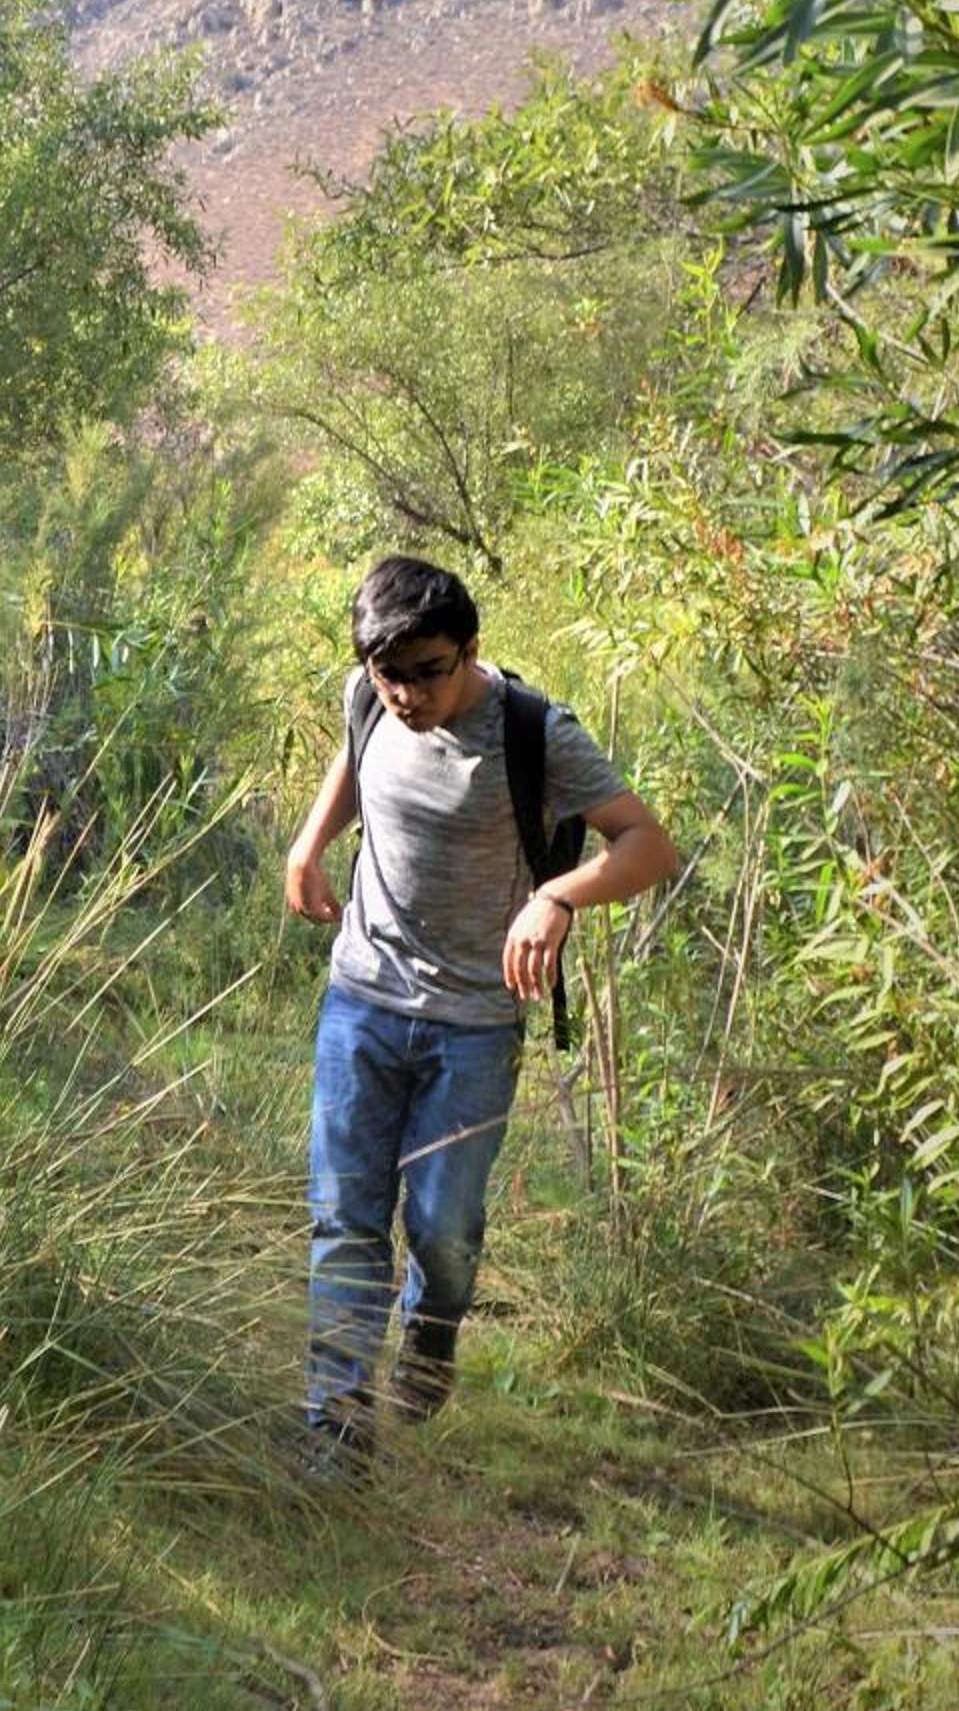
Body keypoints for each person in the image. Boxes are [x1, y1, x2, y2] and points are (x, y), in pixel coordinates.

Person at [281, 554, 680, 1472]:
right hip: (362, 999)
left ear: (469, 649)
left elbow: (649, 845)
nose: (408, 694)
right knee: (344, 1219)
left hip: (473, 1024)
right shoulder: (369, 696)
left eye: (429, 671)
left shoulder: (535, 732)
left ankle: (433, 1324)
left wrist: (559, 897)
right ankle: (336, 1435)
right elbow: (356, 762)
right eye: (390, 673)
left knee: (444, 1229)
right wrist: (309, 846)